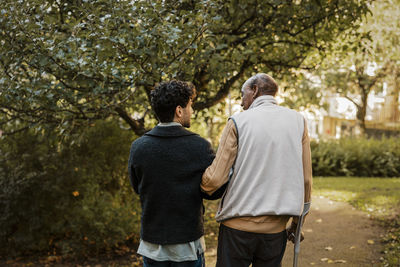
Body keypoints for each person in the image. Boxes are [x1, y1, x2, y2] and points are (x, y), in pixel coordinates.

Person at [201, 73, 312, 267]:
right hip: (274, 231)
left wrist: (198, 185)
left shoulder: (237, 121)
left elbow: (214, 180)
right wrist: (296, 224)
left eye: (243, 94)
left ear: (255, 90)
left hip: (236, 229)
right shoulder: (298, 121)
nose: (242, 102)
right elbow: (305, 181)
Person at [128, 80, 225, 267]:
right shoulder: (200, 146)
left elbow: (137, 187)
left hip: (151, 244)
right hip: (187, 245)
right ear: (179, 111)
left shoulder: (138, 147)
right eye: (190, 106)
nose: (192, 111)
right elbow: (215, 191)